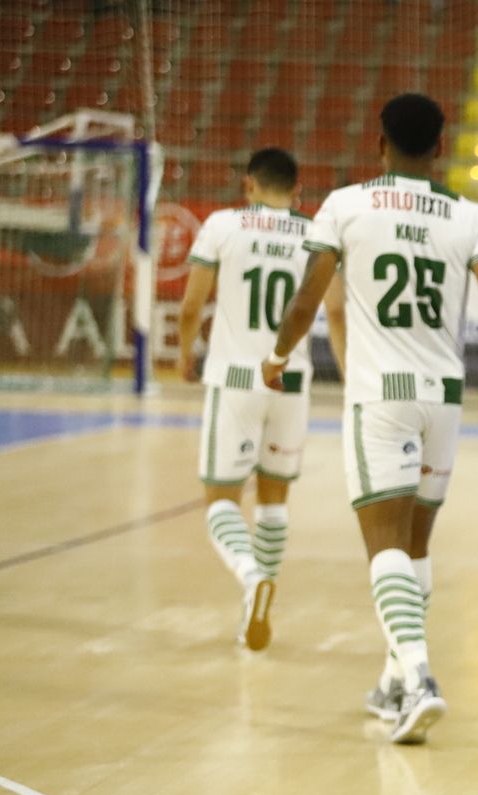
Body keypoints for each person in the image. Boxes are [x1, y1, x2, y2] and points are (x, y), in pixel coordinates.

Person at [263, 93, 478, 743]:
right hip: (444, 396)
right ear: (441, 146)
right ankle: (396, 676)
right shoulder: (469, 215)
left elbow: (310, 296)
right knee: (417, 544)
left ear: (380, 142)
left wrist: (277, 353)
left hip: (381, 393)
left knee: (384, 545)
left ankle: (419, 674)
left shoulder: (346, 205)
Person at [179, 148, 313, 651]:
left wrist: (183, 353)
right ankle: (259, 606)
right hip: (292, 379)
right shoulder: (313, 233)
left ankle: (250, 574)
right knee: (275, 501)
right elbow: (336, 310)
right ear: (297, 191)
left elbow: (193, 304)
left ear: (248, 185)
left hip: (235, 377)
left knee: (220, 502)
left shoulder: (223, 224)